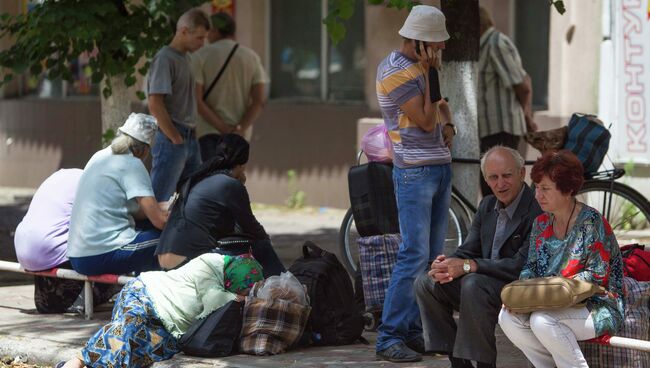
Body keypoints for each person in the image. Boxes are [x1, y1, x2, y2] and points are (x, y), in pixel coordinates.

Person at [374, 5, 456, 363]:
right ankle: (389, 336)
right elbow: (424, 120)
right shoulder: (394, 70)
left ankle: (410, 330)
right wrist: (428, 71)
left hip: (439, 166)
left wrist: (450, 124)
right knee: (413, 254)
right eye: (435, 45)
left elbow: (439, 106)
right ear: (420, 42)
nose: (439, 50)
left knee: (431, 255)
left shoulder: (425, 68)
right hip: (414, 172)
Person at [414, 146, 542, 368]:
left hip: (518, 284)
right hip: (482, 281)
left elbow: (522, 264)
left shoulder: (536, 208)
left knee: (474, 284)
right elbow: (469, 249)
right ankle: (459, 362)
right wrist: (445, 264)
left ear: (522, 174)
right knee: (426, 282)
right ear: (486, 179)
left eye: (507, 175)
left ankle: (484, 364)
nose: (500, 184)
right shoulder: (487, 205)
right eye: (493, 177)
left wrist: (470, 266)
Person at [498, 150, 624, 368]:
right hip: (550, 301)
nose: (538, 195)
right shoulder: (540, 223)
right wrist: (520, 295)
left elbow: (598, 275)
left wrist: (554, 286)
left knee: (542, 320)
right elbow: (531, 267)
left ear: (567, 189)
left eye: (545, 189)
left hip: (598, 305)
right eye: (536, 188)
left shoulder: (592, 222)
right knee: (507, 317)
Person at [59, 253, 263, 368]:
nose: (243, 293)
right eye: (243, 287)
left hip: (171, 327)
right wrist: (241, 299)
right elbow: (212, 298)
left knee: (147, 348)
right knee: (129, 327)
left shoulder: (232, 293)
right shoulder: (210, 263)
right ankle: (77, 360)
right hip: (145, 295)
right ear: (237, 277)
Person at [155, 134, 285, 277]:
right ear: (243, 163)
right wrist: (266, 239)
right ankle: (284, 284)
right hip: (186, 262)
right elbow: (252, 228)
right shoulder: (229, 184)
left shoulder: (200, 178)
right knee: (260, 245)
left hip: (163, 260)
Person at [66, 113, 168, 276]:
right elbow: (160, 222)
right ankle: (151, 293)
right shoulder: (132, 164)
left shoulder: (100, 156)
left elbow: (133, 211)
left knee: (149, 232)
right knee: (170, 238)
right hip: (101, 254)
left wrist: (158, 208)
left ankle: (143, 287)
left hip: (78, 256)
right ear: (144, 148)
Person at [14, 169, 115, 313]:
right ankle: (80, 299)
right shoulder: (91, 183)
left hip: (22, 244)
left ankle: (51, 299)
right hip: (48, 246)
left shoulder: (62, 175)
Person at [147, 8, 210, 202]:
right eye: (199, 38)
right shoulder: (165, 58)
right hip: (172, 138)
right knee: (160, 200)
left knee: (195, 198)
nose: (202, 43)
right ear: (183, 31)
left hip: (189, 137)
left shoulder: (187, 58)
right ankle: (149, 234)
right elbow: (155, 102)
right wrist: (174, 137)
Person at [191, 12, 268, 160]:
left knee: (211, 180)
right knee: (233, 180)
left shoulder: (200, 56)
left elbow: (197, 101)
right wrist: (240, 129)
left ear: (214, 31)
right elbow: (259, 100)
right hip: (240, 137)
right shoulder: (251, 57)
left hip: (208, 133)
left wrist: (223, 128)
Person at [478, 6, 537, 196]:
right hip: (489, 128)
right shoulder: (483, 44)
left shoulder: (495, 43)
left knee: (501, 187)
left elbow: (523, 84)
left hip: (501, 127)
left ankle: (514, 225)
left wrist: (527, 116)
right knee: (491, 187)